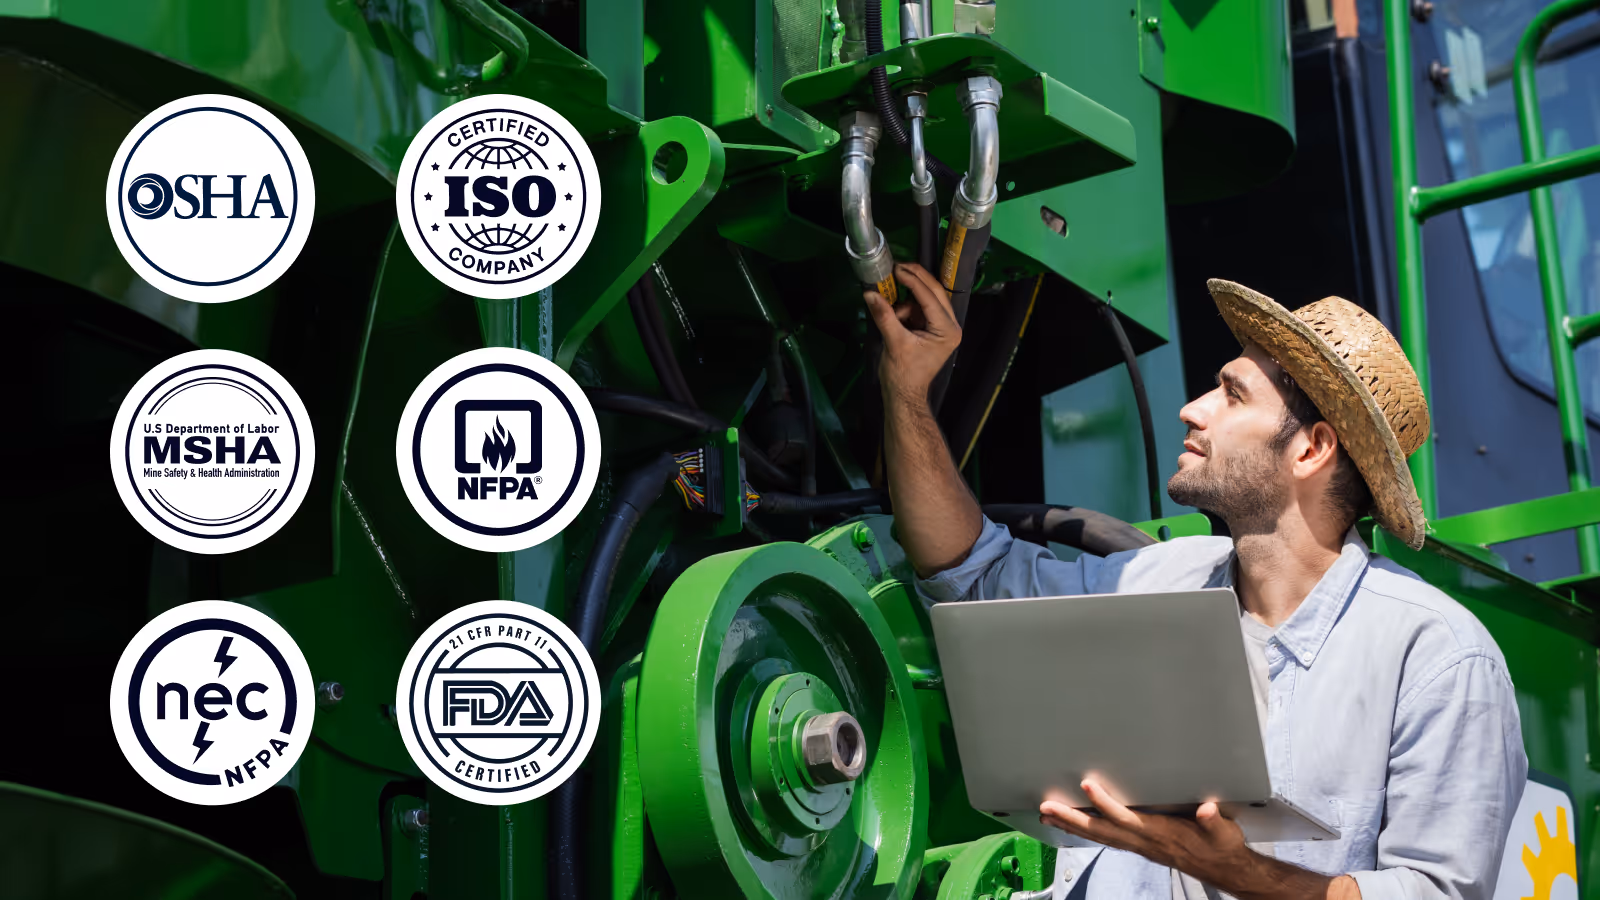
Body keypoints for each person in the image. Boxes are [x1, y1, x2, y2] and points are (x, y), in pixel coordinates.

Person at [863, 263, 1527, 900]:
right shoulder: (1152, 578)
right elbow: (969, 570)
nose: (1192, 408)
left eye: (1233, 394)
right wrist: (905, 389)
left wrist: (1241, 874)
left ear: (1312, 448)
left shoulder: (1437, 655)